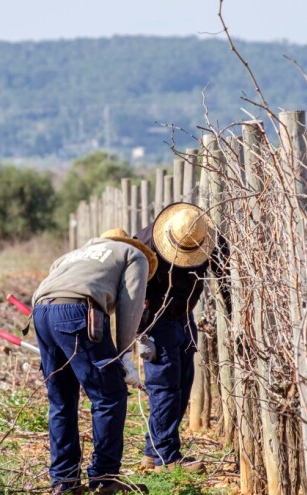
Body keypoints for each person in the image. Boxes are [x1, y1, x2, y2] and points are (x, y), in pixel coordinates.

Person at [32, 228, 157, 494]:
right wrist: (123, 355)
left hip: (41, 311)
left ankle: (64, 481)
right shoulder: (134, 255)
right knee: (109, 396)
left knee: (61, 400)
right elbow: (130, 305)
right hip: (78, 311)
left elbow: (41, 292)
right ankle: (105, 478)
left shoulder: (72, 255)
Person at [133, 202, 230, 472]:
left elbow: (226, 277)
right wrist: (141, 334)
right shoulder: (143, 245)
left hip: (184, 313)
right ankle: (167, 457)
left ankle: (154, 452)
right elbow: (129, 290)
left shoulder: (207, 237)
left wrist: (234, 318)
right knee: (164, 387)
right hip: (154, 317)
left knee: (183, 383)